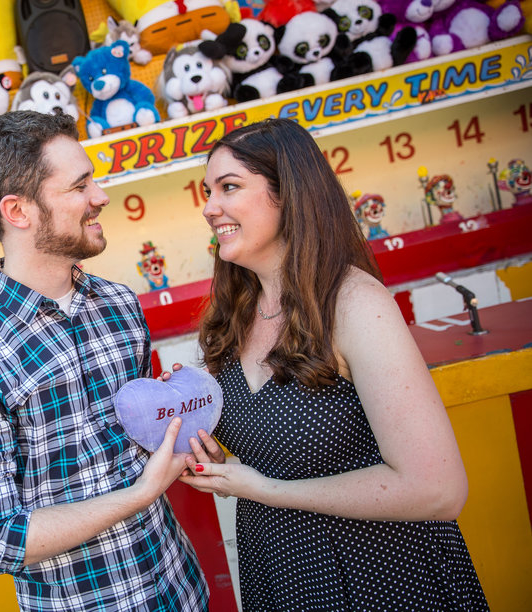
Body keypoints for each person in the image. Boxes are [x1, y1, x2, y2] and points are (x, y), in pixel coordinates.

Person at [179, 118, 488, 610]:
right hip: (283, 573)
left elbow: (438, 490)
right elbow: (277, 444)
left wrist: (268, 489)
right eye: (207, 191)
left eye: (229, 187)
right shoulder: (235, 311)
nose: (209, 208)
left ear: (290, 194)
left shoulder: (355, 303)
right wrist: (217, 460)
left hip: (377, 575)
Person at [0, 110, 209, 611]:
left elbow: (139, 447)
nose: (100, 196)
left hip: (179, 590)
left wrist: (177, 417)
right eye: (79, 186)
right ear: (18, 211)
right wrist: (137, 496)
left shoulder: (119, 304)